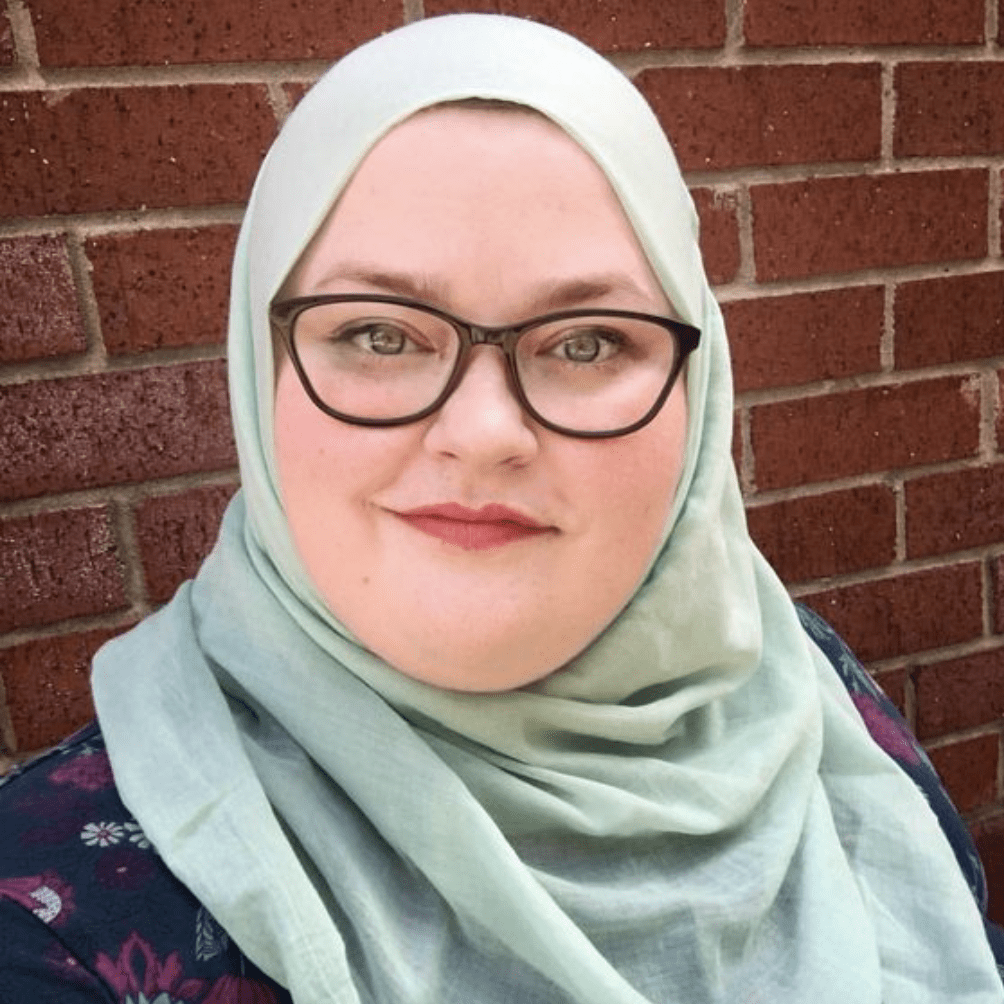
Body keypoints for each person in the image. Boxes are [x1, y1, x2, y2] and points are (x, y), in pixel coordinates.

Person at [1, 13, 1002, 1003]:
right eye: (379, 334)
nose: (482, 433)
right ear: (260, 372)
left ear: (698, 399)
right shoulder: (60, 936)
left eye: (587, 342)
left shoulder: (801, 681)